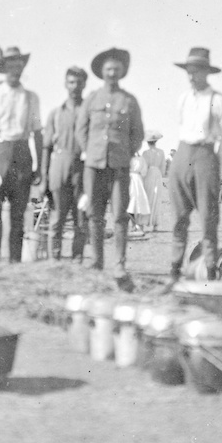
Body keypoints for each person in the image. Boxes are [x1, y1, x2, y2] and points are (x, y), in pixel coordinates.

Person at [76, 47, 144, 291]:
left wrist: (124, 153)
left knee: (119, 215)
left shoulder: (129, 100)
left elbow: (137, 134)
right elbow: (81, 129)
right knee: (94, 215)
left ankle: (119, 264)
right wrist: (89, 151)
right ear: (102, 73)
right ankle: (96, 260)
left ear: (122, 72)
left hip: (119, 166)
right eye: (108, 69)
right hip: (93, 165)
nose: (112, 73)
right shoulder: (92, 99)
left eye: (116, 69)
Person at [168, 47, 222, 285]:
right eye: (188, 71)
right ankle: (174, 273)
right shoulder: (184, 99)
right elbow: (181, 126)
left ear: (206, 72)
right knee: (179, 218)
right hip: (183, 153)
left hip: (206, 155)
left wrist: (214, 160)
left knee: (208, 219)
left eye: (195, 71)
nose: (191, 76)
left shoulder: (219, 101)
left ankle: (210, 274)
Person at [0, 47, 42, 266]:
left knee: (17, 217)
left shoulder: (31, 97)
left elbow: (37, 133)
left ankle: (14, 266)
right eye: (11, 66)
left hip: (22, 157)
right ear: (3, 68)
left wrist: (39, 166)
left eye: (19, 66)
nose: (15, 70)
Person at [42, 66, 89, 261]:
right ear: (65, 84)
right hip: (59, 168)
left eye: (78, 82)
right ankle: (55, 260)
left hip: (83, 169)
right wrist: (43, 178)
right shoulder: (55, 113)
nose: (74, 87)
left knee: (80, 218)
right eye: (71, 82)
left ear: (84, 84)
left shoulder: (90, 111)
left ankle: (77, 259)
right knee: (57, 218)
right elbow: (46, 147)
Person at [140, 132, 166, 231]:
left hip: (149, 174)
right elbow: (163, 167)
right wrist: (160, 174)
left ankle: (144, 221)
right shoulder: (161, 152)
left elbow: (144, 167)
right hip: (157, 174)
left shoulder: (145, 153)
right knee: (156, 198)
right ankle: (156, 224)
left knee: (148, 197)